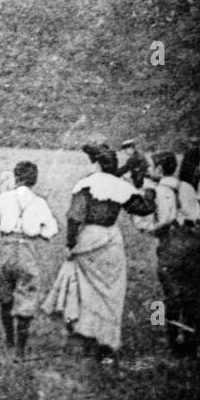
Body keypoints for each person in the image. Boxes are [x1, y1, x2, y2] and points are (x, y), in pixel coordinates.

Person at [44, 143, 155, 363]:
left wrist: (70, 244)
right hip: (110, 239)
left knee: (86, 292)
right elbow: (143, 208)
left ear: (95, 163)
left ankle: (86, 337)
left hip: (88, 238)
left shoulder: (86, 185)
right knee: (111, 291)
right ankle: (107, 341)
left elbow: (75, 217)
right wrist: (149, 188)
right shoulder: (119, 186)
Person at [0, 162, 61, 352]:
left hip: (6, 248)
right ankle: (20, 347)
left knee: (5, 294)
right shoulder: (39, 202)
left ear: (16, 178)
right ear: (34, 180)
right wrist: (37, 230)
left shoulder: (4, 198)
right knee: (28, 294)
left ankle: (9, 339)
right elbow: (51, 230)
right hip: (27, 249)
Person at [138, 151, 200, 357]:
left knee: (169, 292)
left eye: (151, 167)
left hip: (173, 245)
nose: (149, 171)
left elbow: (165, 220)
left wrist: (150, 229)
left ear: (159, 169)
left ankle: (166, 331)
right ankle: (196, 337)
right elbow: (198, 214)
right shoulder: (185, 186)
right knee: (194, 291)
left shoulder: (159, 190)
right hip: (196, 242)